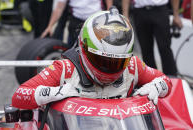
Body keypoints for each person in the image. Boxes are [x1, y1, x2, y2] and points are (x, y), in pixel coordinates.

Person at [12, 7, 172, 109]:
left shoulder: (133, 66)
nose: (109, 68)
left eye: (117, 62)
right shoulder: (65, 69)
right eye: (102, 61)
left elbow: (167, 81)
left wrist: (157, 87)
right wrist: (52, 93)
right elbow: (19, 96)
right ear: (83, 48)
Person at [122, 0, 183, 76]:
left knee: (164, 47)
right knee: (145, 49)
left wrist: (176, 15)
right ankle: (151, 78)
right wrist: (125, 15)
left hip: (160, 10)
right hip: (140, 11)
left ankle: (171, 77)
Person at [41, 0, 113, 48]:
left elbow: (109, 4)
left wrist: (109, 17)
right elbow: (59, 8)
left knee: (96, 49)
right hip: (76, 23)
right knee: (73, 50)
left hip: (96, 22)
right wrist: (50, 26)